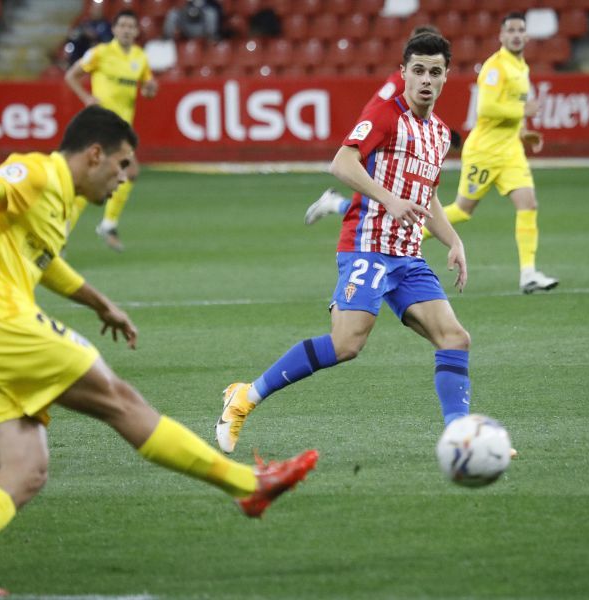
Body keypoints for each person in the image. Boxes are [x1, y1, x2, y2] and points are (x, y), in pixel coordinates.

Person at [0, 106, 318, 595]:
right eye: (122, 164)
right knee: (120, 400)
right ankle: (247, 487)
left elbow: (43, 261)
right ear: (94, 155)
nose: (124, 177)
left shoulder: (60, 202)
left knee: (26, 467)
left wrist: (100, 303)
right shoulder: (39, 172)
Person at [216, 33, 472, 454]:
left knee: (456, 338)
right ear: (404, 72)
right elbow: (342, 162)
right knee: (347, 344)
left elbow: (429, 195)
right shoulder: (386, 115)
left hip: (407, 257)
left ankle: (460, 436)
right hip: (367, 248)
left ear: (446, 77)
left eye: (436, 72)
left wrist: (454, 239)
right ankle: (245, 396)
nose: (426, 79)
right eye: (419, 70)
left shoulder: (440, 134)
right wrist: (388, 199)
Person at [440, 12, 558, 294]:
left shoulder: (522, 67)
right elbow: (488, 109)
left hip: (510, 151)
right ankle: (408, 234)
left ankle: (528, 274)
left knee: (528, 203)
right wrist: (522, 111)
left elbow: (512, 109)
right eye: (511, 30)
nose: (516, 35)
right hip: (485, 151)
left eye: (521, 30)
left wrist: (524, 131)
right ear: (502, 36)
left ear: (526, 36)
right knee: (462, 211)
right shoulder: (495, 67)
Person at [304, 25, 448, 225]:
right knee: (381, 201)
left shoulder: (414, 78)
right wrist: (372, 135)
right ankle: (337, 206)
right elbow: (380, 111)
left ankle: (335, 203)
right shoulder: (402, 81)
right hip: (379, 135)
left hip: (383, 133)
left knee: (387, 201)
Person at [65, 9, 157, 252]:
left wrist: (150, 89)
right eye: (123, 26)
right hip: (101, 123)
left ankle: (96, 226)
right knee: (100, 177)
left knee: (121, 174)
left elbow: (147, 88)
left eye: (131, 26)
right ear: (114, 30)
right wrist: (86, 97)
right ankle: (101, 225)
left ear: (137, 32)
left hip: (122, 128)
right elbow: (71, 75)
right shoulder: (100, 53)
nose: (127, 30)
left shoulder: (140, 57)